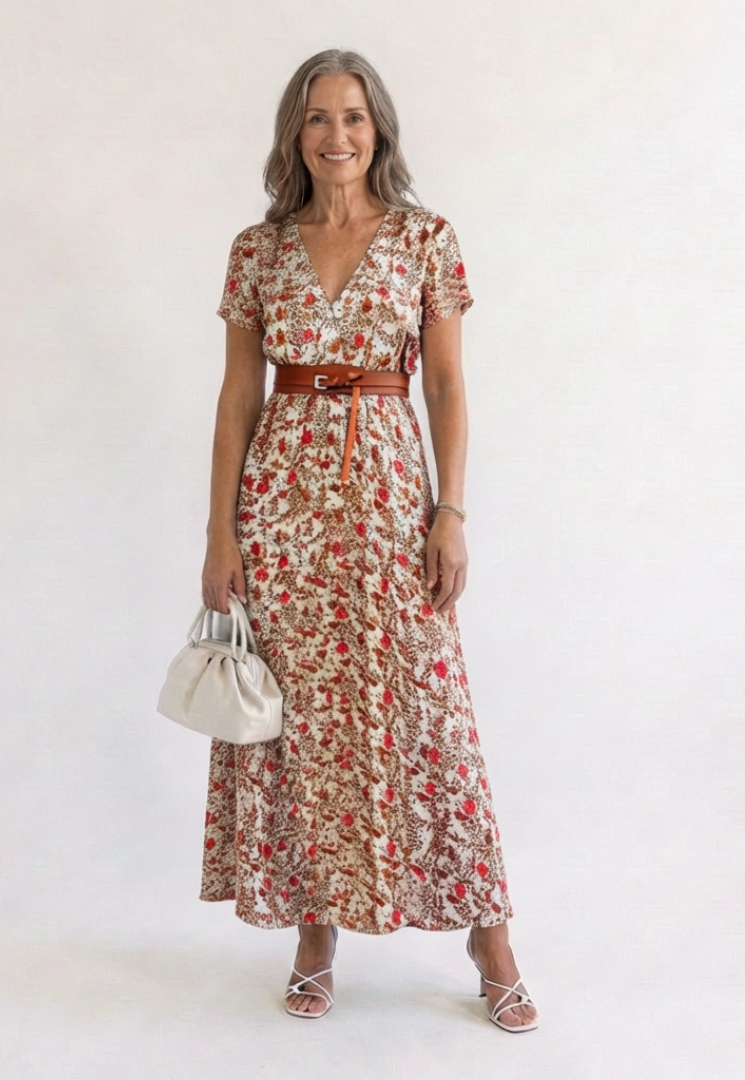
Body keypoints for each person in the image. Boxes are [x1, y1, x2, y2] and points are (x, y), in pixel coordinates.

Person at [199, 48, 538, 1032]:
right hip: (282, 512)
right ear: (294, 133)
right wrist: (220, 532)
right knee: (301, 720)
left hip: (391, 504)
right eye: (317, 117)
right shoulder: (257, 250)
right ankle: (316, 936)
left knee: (431, 715)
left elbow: (446, 385)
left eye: (352, 116)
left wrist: (450, 512)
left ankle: (490, 937)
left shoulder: (427, 239)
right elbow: (236, 398)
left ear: (378, 128)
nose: (336, 135)